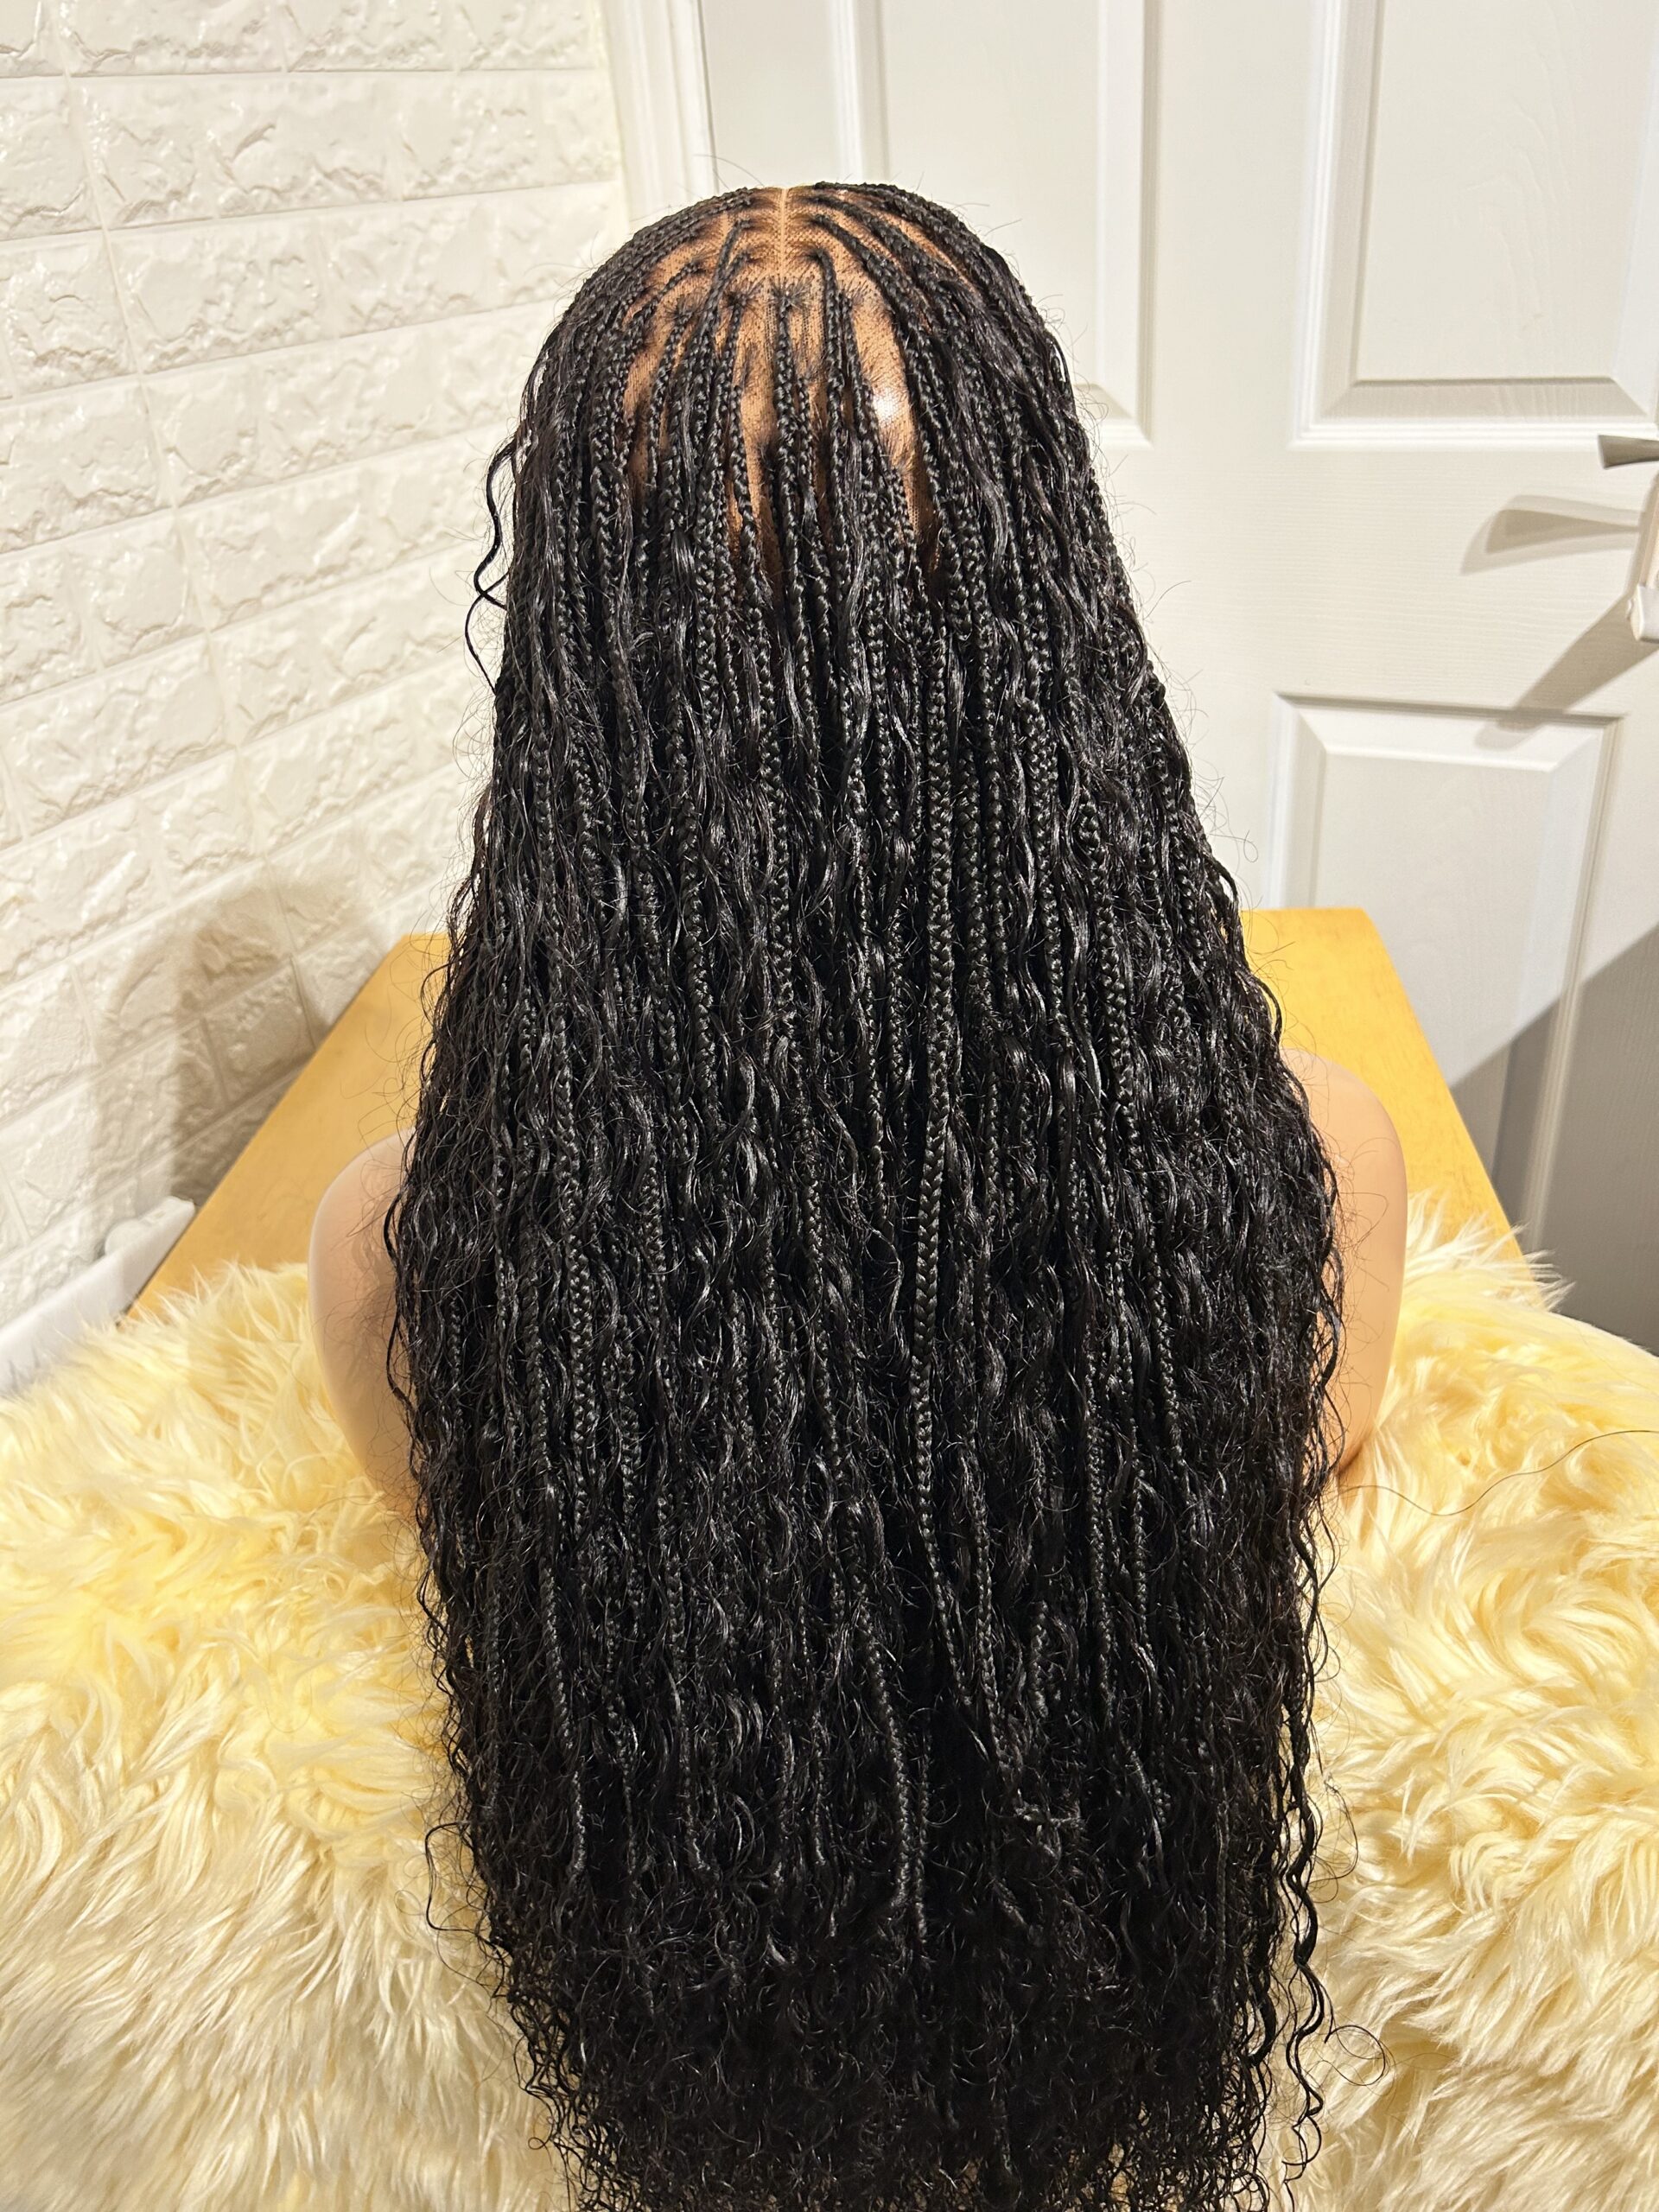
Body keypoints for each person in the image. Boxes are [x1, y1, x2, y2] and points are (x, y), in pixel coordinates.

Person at [308, 183, 1405, 2212]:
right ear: (1048, 605)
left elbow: (422, 1505)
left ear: (584, 652)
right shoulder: (1311, 1173)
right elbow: (1315, 1451)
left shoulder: (407, 1256)